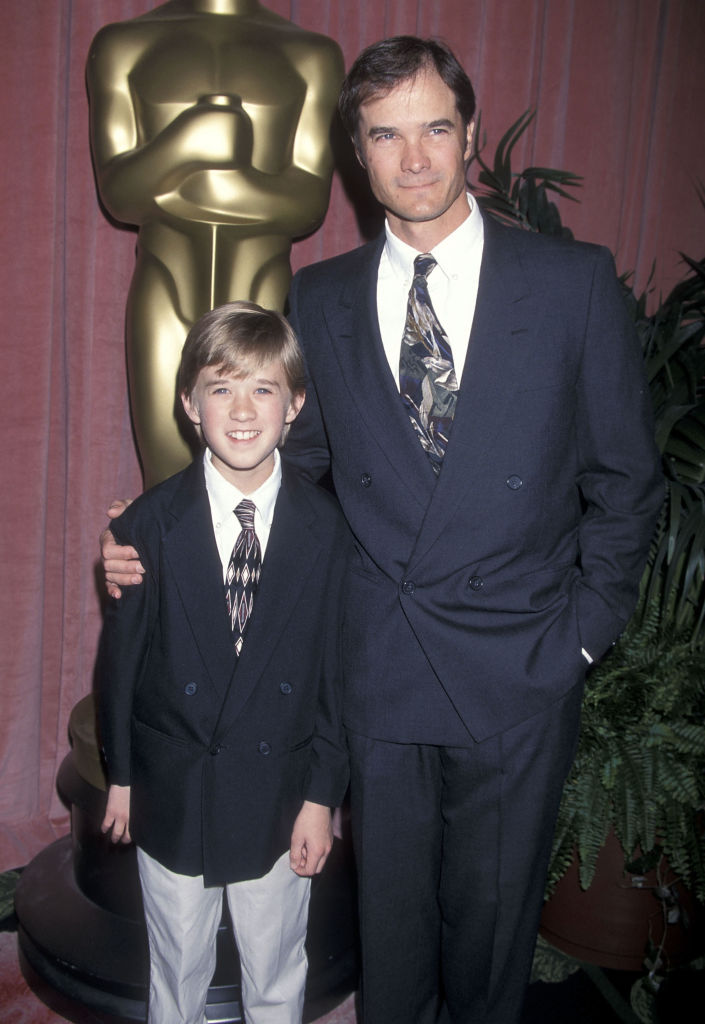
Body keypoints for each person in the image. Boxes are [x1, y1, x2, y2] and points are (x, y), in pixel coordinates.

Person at [102, 36, 665, 1024]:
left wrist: (579, 634)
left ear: (473, 138)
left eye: (436, 129)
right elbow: (291, 479)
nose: (414, 159)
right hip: (377, 668)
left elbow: (626, 480)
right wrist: (159, 539)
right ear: (355, 157)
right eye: (385, 135)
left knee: (489, 951)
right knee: (391, 948)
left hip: (521, 667)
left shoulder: (572, 283)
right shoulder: (316, 299)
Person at [97, 301, 349, 1024]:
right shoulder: (146, 523)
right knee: (176, 965)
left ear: (294, 404)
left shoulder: (329, 530)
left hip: (278, 790)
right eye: (219, 387)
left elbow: (336, 677)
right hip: (174, 786)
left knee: (275, 964)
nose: (242, 409)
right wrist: (120, 778)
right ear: (188, 404)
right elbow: (122, 662)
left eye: (263, 388)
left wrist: (319, 798)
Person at [87, 0, 343, 486]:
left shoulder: (310, 54)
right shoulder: (124, 46)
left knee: (256, 482)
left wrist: (191, 176)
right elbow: (119, 194)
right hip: (164, 286)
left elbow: (308, 202)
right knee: (166, 486)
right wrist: (187, 140)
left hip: (262, 290)